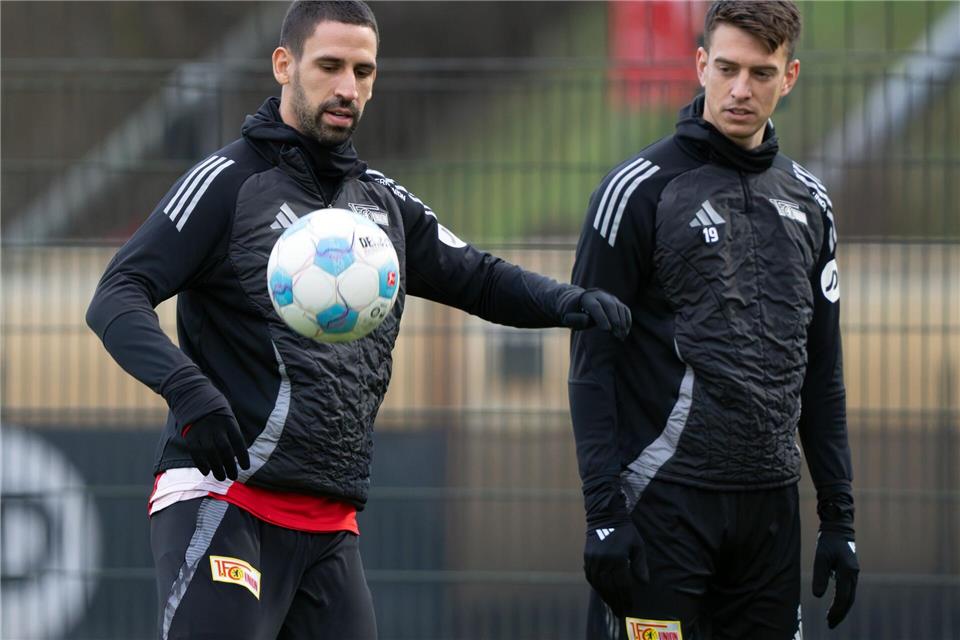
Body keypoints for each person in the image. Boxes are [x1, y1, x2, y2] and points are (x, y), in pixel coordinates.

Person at [85, 2, 630, 639]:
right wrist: (188, 391)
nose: (348, 87)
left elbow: (477, 276)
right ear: (283, 65)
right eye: (330, 66)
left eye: (363, 70)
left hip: (329, 522)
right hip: (224, 499)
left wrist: (568, 301)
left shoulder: (381, 203)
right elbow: (116, 294)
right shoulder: (227, 183)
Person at [568, 2, 859, 638]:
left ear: (790, 77)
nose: (739, 89)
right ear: (700, 64)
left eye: (761, 73)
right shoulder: (636, 190)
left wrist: (839, 516)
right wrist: (602, 514)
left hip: (770, 519)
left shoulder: (810, 203)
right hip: (664, 509)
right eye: (726, 68)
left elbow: (823, 375)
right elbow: (591, 370)